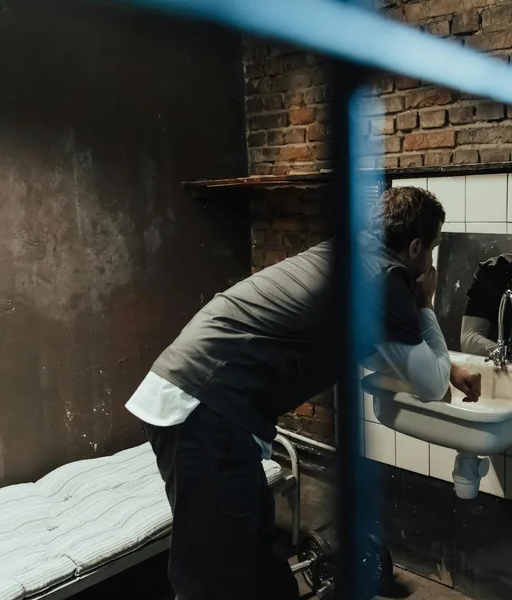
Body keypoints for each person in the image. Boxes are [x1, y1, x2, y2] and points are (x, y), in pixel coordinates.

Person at [124, 185, 482, 600]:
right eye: (432, 250)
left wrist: (449, 365)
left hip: (201, 398)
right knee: (215, 572)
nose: (432, 261)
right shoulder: (386, 275)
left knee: (250, 551)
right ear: (416, 246)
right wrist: (424, 302)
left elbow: (386, 353)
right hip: (204, 405)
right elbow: (430, 385)